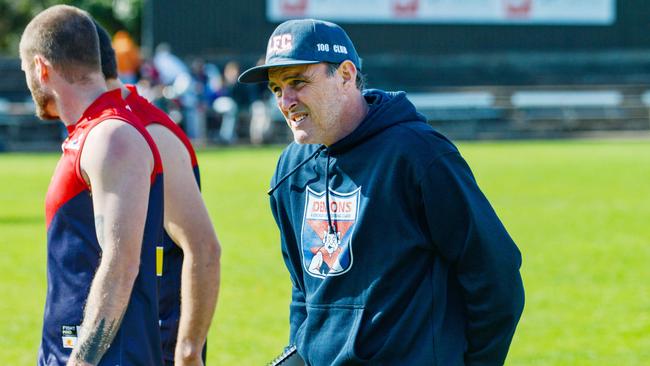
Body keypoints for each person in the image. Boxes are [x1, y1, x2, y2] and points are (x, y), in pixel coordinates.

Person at [239, 19, 525, 365]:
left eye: (298, 82)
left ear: (345, 75)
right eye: (275, 89)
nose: (286, 101)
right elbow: (304, 290)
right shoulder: (290, 169)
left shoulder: (418, 154)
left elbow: (495, 272)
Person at [20, 5, 164, 365]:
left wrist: (82, 360)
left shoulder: (111, 135)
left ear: (41, 68)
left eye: (26, 71)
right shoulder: (93, 133)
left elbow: (121, 264)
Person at [94, 21, 221, 365]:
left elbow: (204, 248)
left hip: (157, 337)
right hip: (123, 333)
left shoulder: (145, 131)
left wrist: (188, 349)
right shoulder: (100, 129)